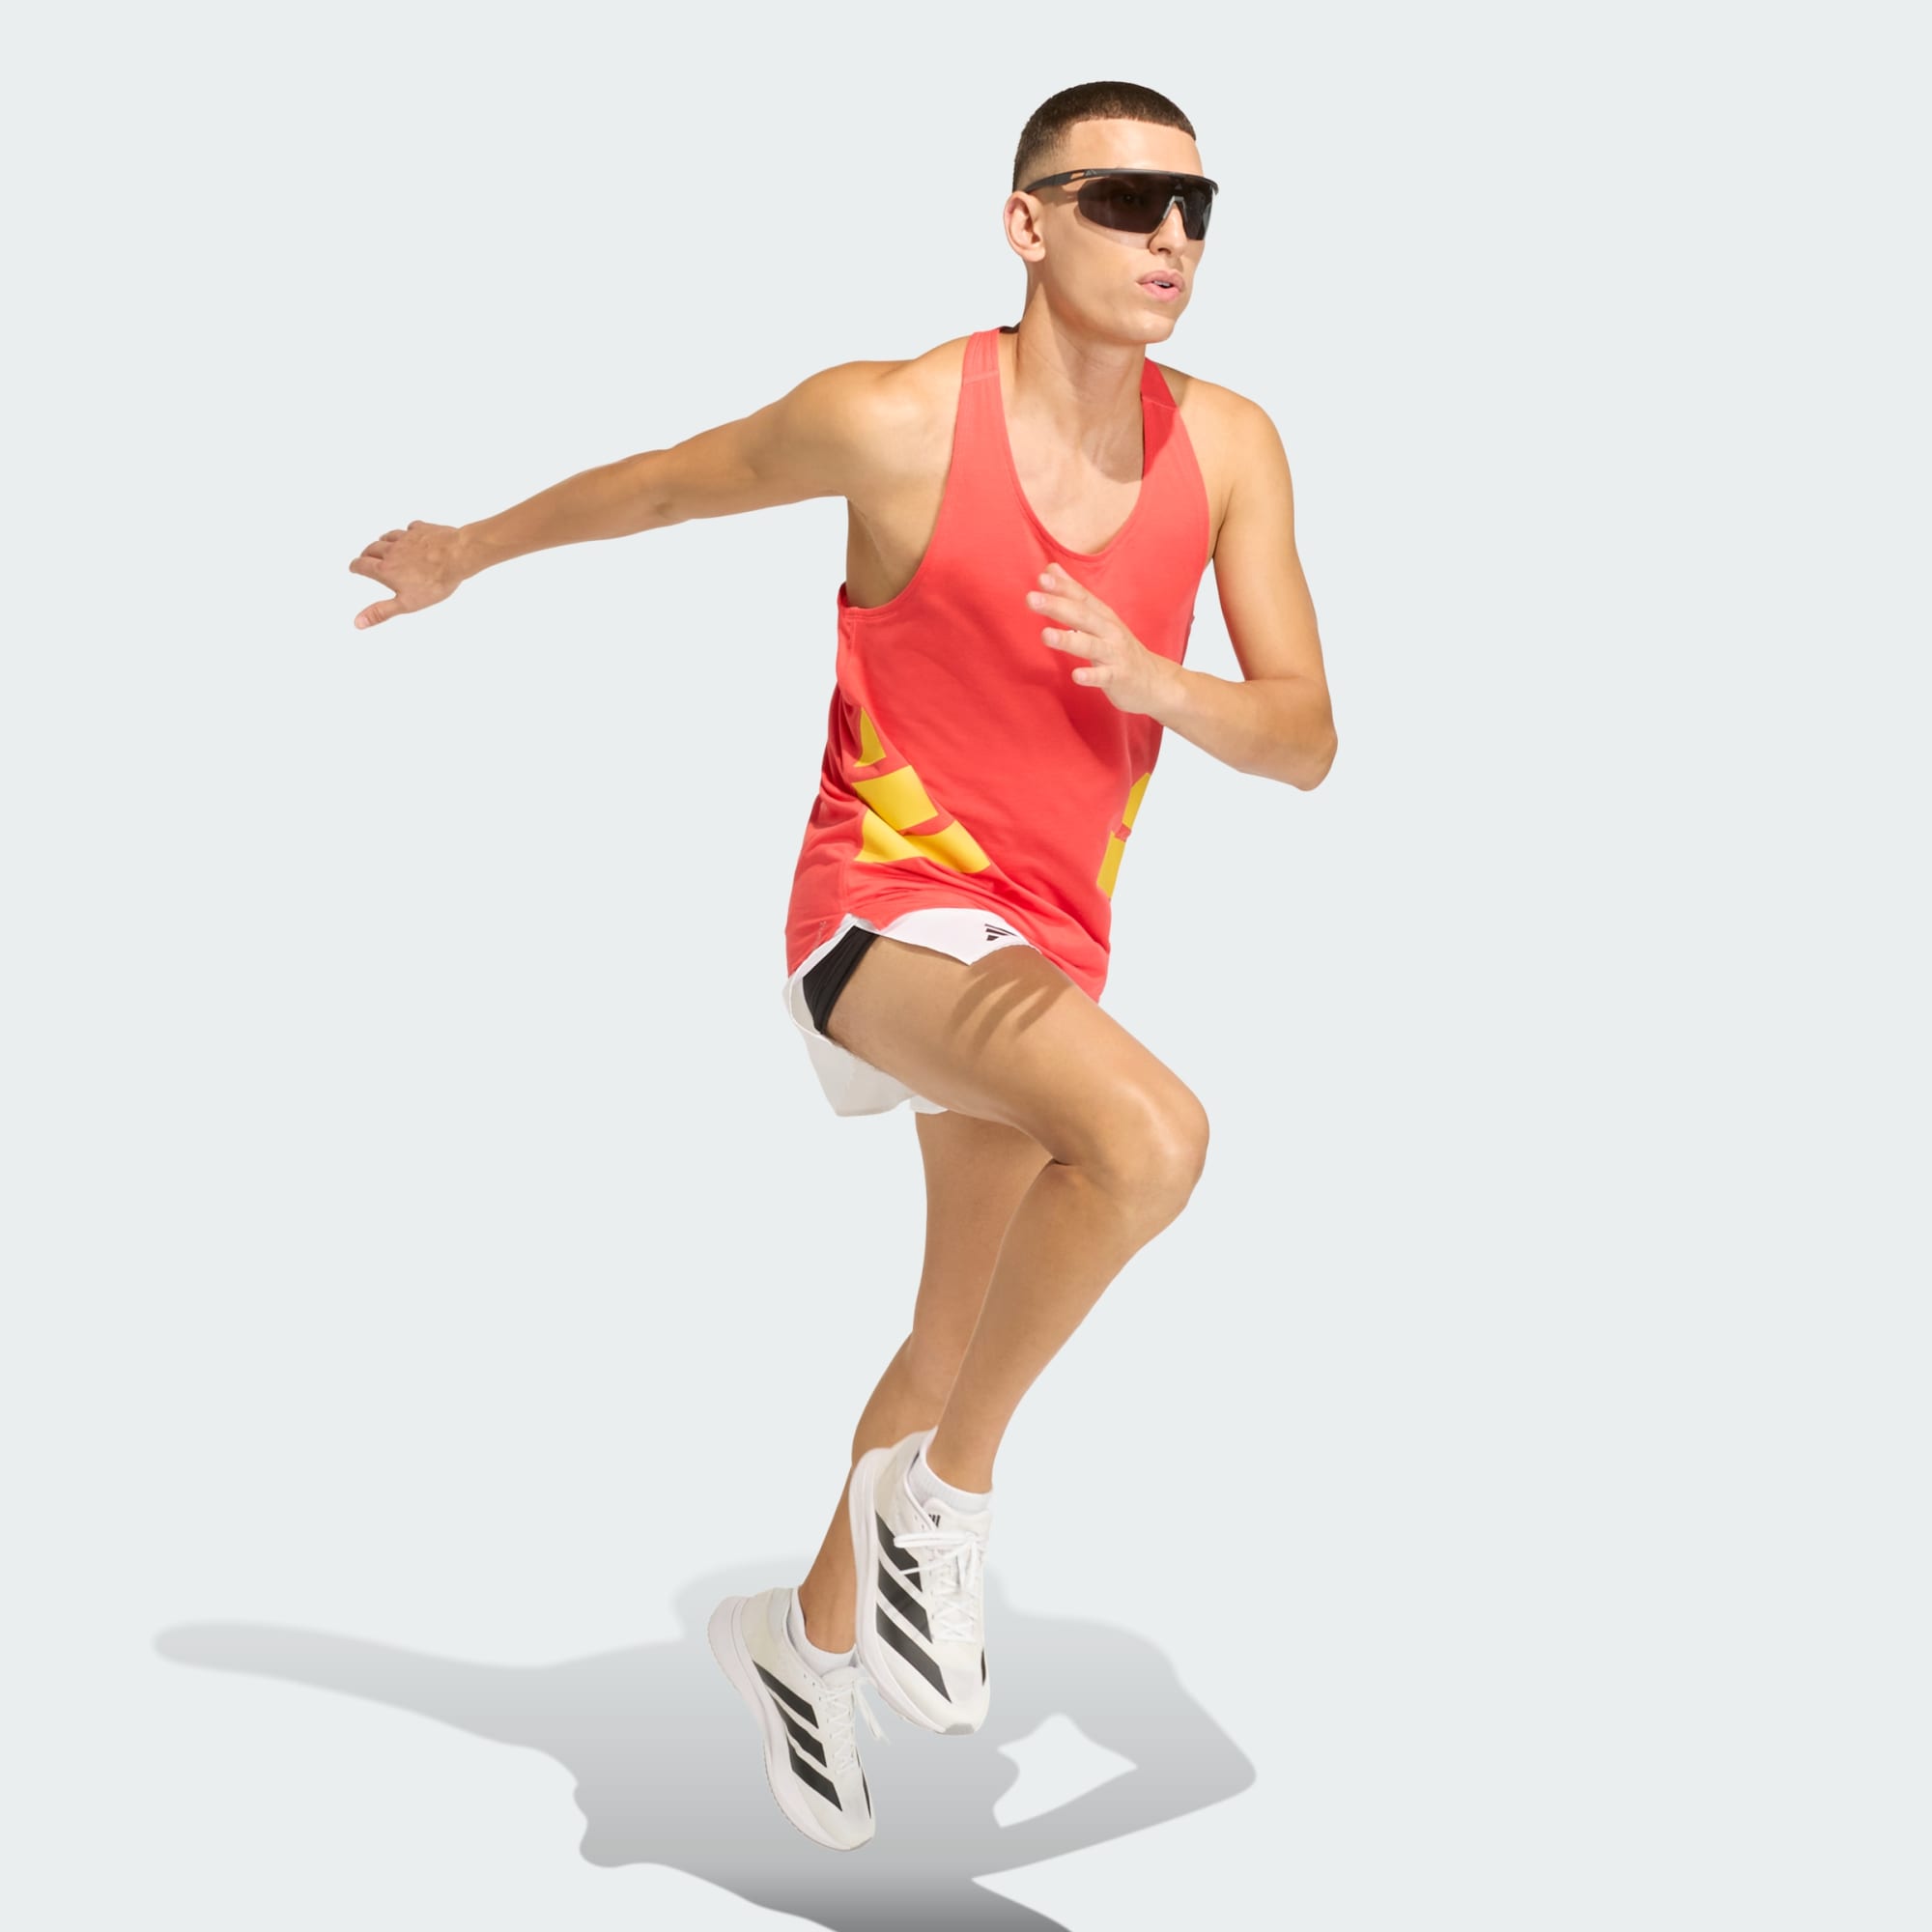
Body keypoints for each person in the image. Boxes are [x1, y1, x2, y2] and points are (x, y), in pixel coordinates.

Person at [346, 78, 1336, 1853]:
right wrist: (466, 553)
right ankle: (946, 1506)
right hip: (877, 910)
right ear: (1028, 221)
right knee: (1153, 1142)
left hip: (1044, 945)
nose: (1172, 237)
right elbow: (673, 484)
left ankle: (800, 1647)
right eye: (1125, 200)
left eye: (1197, 207)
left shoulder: (1234, 446)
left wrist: (1160, 683)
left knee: (957, 1330)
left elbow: (1306, 737)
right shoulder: (893, 418)